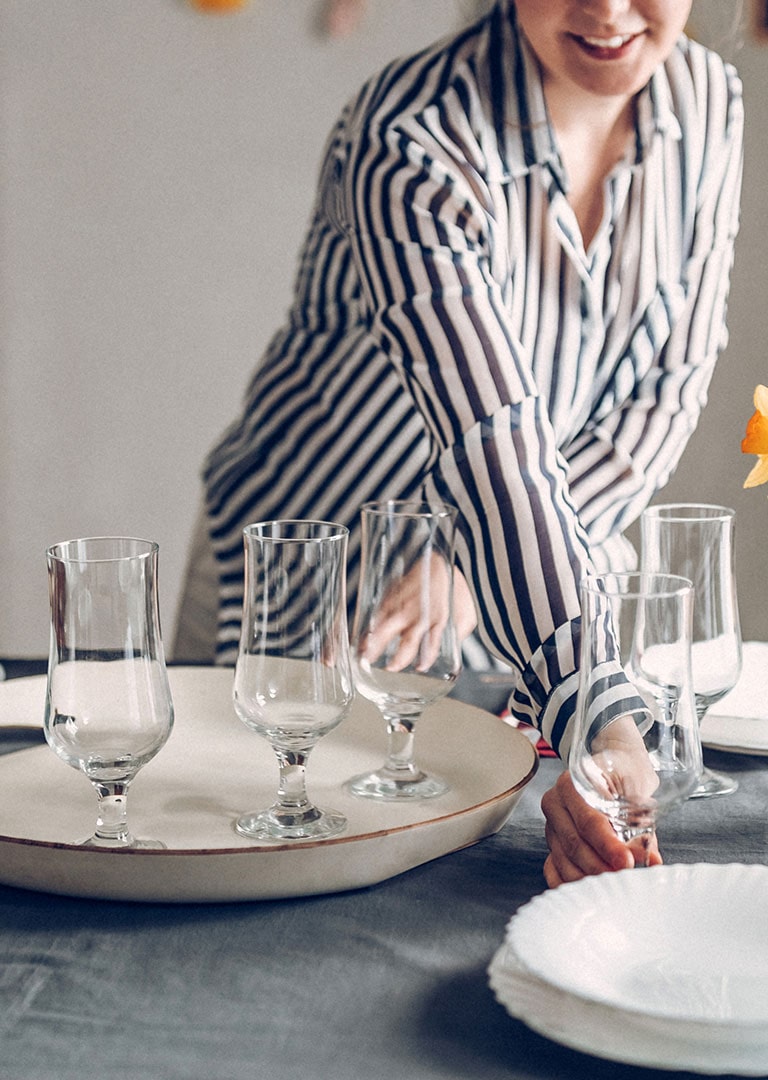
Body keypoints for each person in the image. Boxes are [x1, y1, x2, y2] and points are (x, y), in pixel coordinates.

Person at [178, 0, 744, 886]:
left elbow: (660, 400)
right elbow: (491, 444)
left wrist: (481, 577)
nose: (605, 7)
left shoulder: (711, 103)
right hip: (312, 598)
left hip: (519, 598)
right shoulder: (414, 136)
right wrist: (601, 713)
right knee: (268, 868)